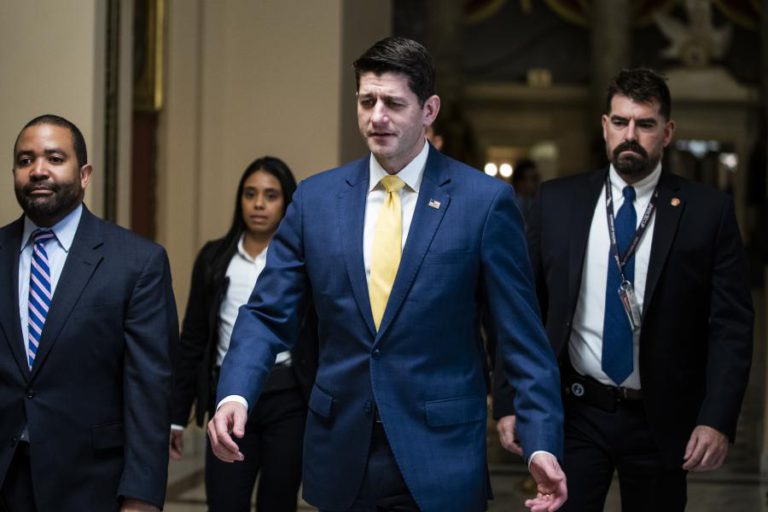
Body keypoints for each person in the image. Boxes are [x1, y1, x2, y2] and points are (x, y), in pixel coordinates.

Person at [208, 36, 566, 512]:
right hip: (340, 450)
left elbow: (521, 335)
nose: (377, 117)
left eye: (394, 103)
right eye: (367, 101)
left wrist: (541, 441)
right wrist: (235, 392)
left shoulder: (482, 203)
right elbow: (267, 312)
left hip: (440, 453)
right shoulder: (316, 201)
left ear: (429, 109)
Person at [495, 68, 754, 511]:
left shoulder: (708, 212)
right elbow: (522, 308)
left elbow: (731, 326)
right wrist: (507, 399)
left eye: (645, 124)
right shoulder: (558, 202)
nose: (630, 135)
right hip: (575, 411)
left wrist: (716, 420)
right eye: (620, 122)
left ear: (667, 131)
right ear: (605, 126)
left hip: (661, 419)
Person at [0, 114, 177, 511]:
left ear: (84, 174)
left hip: (90, 484)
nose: (38, 170)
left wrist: (142, 498)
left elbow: (149, 393)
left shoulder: (136, 262)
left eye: (54, 158)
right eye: (26, 160)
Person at [169, 156, 316, 511]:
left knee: (278, 502)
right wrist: (176, 415)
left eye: (271, 195)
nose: (259, 204)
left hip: (288, 397)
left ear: (287, 202)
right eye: (250, 194)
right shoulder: (215, 258)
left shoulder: (303, 260)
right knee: (224, 500)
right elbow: (192, 339)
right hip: (229, 396)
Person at [511, 158, 540, 225]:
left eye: (536, 178)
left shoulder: (537, 202)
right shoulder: (510, 202)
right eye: (532, 178)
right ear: (520, 181)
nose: (536, 182)